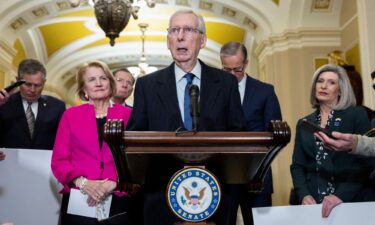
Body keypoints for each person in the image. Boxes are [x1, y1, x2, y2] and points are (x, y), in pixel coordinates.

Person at [127, 9, 245, 225]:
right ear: (168, 40)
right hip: (161, 193)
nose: (180, 36)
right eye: (174, 30)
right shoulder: (147, 85)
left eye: (189, 30)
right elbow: (136, 138)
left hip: (215, 191)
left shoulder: (226, 83)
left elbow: (237, 133)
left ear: (202, 40)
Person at [51, 61, 138, 225]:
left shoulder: (129, 115)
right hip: (80, 198)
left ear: (110, 83)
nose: (98, 83)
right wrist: (84, 183)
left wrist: (113, 183)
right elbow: (59, 160)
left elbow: (137, 159)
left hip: (118, 197)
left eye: (103, 78)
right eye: (91, 80)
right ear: (84, 89)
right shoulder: (70, 115)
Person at [290, 64, 374, 219]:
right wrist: (304, 194)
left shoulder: (356, 115)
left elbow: (366, 162)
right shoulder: (304, 123)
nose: (323, 86)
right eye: (320, 81)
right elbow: (298, 165)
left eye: (331, 82)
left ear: (341, 89)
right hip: (314, 203)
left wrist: (340, 195)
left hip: (352, 199)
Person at [220, 41, 282, 225]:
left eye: (237, 69)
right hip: (224, 176)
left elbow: (275, 133)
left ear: (246, 64)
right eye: (226, 70)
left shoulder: (265, 91)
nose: (232, 75)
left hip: (257, 176)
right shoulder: (214, 92)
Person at [0, 59, 65, 149]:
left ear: (44, 82)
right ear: (17, 80)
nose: (32, 90)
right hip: (9, 161)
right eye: (28, 84)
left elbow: (64, 140)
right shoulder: (3, 104)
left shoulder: (57, 107)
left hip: (44, 162)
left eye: (37, 85)